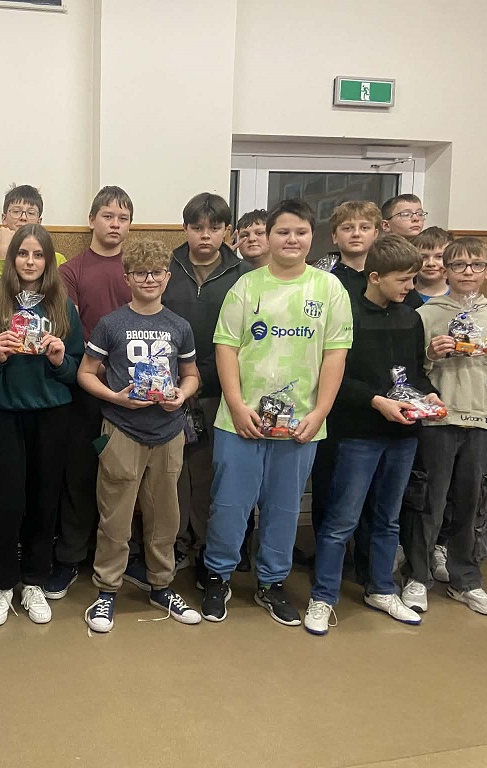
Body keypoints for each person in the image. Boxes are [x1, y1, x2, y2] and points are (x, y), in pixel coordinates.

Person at [199, 199, 353, 626]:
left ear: (311, 237)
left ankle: (271, 582)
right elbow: (225, 347)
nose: (291, 239)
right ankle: (217, 576)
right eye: (283, 232)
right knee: (229, 505)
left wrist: (320, 412)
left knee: (284, 509)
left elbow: (335, 355)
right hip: (241, 421)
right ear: (268, 237)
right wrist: (236, 405)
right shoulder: (246, 287)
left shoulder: (329, 289)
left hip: (300, 424)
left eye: (300, 232)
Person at [305, 235, 440, 634]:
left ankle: (381, 588)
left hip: (403, 435)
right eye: (403, 280)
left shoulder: (411, 317)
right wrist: (376, 401)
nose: (410, 288)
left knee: (388, 518)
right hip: (356, 434)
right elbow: (335, 378)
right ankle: (323, 597)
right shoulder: (346, 314)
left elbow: (414, 374)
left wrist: (428, 394)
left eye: (413, 279)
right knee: (341, 521)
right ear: (376, 277)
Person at [0, 223, 84, 626]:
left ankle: (34, 581)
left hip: (51, 414)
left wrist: (59, 360)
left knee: (44, 499)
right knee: (3, 500)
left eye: (38, 255)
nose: (30, 262)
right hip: (3, 414)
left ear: (49, 261)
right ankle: (2, 584)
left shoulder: (62, 306)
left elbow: (77, 369)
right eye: (23, 253)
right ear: (12, 258)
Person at [80, 239, 202, 632]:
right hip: (122, 431)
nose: (149, 279)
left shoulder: (179, 326)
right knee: (115, 518)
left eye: (156, 272)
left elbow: (191, 374)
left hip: (168, 432)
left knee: (165, 517)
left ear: (167, 277)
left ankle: (161, 586)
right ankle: (107, 590)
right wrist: (115, 397)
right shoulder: (111, 324)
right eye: (140, 273)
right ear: (127, 278)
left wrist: (181, 394)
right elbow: (85, 373)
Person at [400, 237, 487, 616]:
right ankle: (417, 575)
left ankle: (466, 579)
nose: (467, 272)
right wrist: (431, 354)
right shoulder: (426, 315)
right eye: (458, 265)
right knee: (428, 501)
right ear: (445, 270)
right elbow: (409, 373)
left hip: (481, 419)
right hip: (438, 420)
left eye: (475, 265)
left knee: (474, 502)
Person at [45, 186, 134, 600]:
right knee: (79, 475)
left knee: (125, 479)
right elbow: (72, 331)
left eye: (123, 218)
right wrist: (98, 374)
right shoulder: (72, 271)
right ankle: (69, 558)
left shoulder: (137, 270)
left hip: (135, 396)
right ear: (92, 220)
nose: (115, 224)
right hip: (86, 390)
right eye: (108, 216)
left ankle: (120, 557)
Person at [160, 193, 250, 577]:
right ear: (185, 229)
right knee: (173, 474)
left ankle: (208, 550)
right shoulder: (167, 267)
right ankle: (176, 543)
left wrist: (206, 378)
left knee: (212, 473)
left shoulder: (243, 274)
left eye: (214, 228)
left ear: (227, 231)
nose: (205, 236)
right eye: (197, 228)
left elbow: (245, 337)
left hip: (221, 389)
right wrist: (179, 381)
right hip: (170, 388)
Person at [0, 184, 66, 298]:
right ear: (4, 218)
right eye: (16, 211)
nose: (23, 217)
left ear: (39, 221)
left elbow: (61, 298)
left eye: (31, 213)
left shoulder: (57, 259)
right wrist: (2, 256)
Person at [412, 226, 453, 303]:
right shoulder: (403, 297)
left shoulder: (460, 297)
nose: (431, 263)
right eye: (423, 257)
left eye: (439, 257)